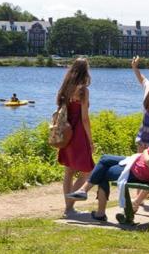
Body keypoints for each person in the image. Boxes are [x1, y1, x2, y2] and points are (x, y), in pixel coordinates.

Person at [66, 108, 149, 221]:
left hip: (141, 172)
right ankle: (83, 191)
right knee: (104, 159)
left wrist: (144, 152)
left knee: (102, 171)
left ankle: (98, 210)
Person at [56, 57, 95, 216]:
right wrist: (91, 140)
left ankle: (69, 208)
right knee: (88, 173)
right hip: (78, 133)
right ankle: (70, 205)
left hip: (66, 132)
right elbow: (85, 118)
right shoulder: (83, 90)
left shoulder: (66, 87)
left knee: (68, 172)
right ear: (86, 72)